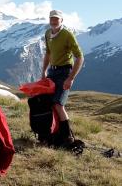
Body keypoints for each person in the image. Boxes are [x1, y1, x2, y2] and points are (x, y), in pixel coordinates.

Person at [42, 10, 84, 145]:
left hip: (65, 72)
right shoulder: (48, 33)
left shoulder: (67, 35)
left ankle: (68, 137)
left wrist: (71, 78)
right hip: (52, 72)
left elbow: (80, 57)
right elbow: (48, 53)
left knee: (59, 104)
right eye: (51, 19)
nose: (53, 22)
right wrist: (43, 71)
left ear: (61, 20)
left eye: (56, 19)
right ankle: (55, 133)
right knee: (49, 103)